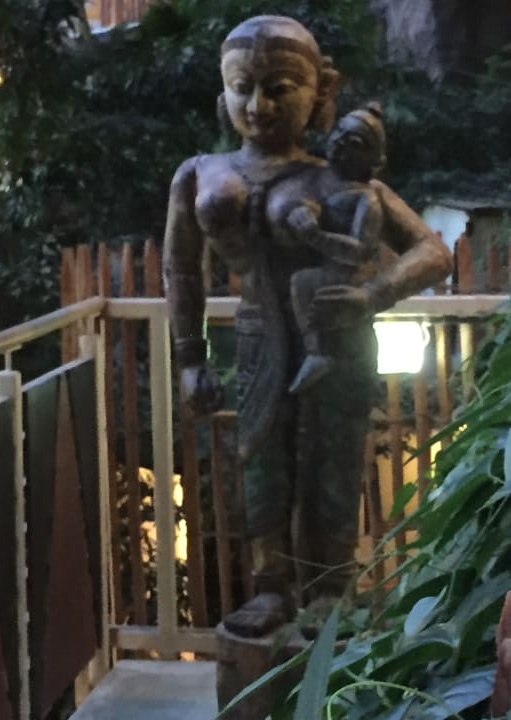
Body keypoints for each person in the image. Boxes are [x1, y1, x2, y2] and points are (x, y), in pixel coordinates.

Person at [163, 15, 453, 638]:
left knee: (334, 460)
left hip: (337, 334)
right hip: (257, 331)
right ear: (222, 92)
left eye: (279, 88)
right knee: (259, 457)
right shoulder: (200, 172)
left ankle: (330, 588)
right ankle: (270, 586)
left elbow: (432, 251)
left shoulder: (337, 178)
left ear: (322, 90)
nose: (258, 106)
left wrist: (372, 294)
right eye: (242, 87)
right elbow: (181, 268)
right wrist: (189, 357)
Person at [287, 103, 387, 394]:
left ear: (374, 160)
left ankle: (316, 351)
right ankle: (314, 351)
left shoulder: (367, 199)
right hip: (323, 274)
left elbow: (360, 249)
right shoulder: (317, 177)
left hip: (346, 278)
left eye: (354, 142)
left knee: (303, 283)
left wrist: (316, 237)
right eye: (339, 132)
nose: (341, 143)